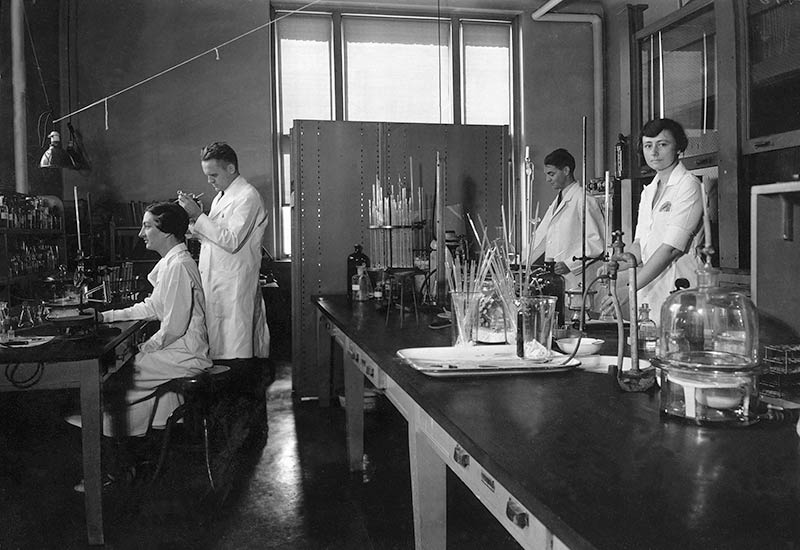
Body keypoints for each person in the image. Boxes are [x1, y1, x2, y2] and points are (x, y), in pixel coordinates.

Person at [178, 142, 270, 361]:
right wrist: (192, 218)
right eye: (207, 175)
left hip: (234, 285)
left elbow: (231, 240)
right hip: (217, 282)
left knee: (237, 347)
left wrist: (199, 217)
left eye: (213, 175)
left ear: (230, 168)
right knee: (219, 345)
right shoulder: (222, 196)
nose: (209, 181)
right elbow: (212, 237)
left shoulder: (247, 196)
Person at [605, 118, 704, 321]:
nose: (654, 152)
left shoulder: (688, 185)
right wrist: (617, 263)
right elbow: (640, 246)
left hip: (680, 288)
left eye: (663, 144)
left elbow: (671, 249)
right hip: (650, 290)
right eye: (648, 145)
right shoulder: (648, 191)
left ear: (678, 147)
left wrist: (629, 288)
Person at [530, 148, 605, 290]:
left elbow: (595, 242)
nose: (547, 179)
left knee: (579, 310)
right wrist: (523, 263)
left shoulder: (583, 199)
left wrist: (570, 263)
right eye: (547, 175)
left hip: (578, 277)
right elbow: (542, 237)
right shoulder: (558, 201)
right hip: (560, 278)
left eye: (551, 174)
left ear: (566, 170)